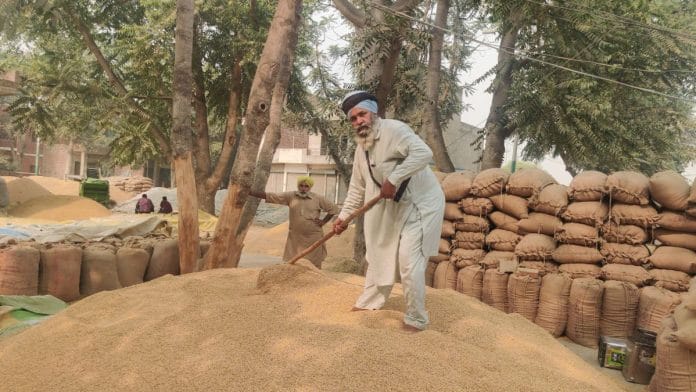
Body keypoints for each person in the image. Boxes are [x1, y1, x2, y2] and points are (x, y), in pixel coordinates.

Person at [332, 90, 445, 332]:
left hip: (421, 205)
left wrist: (393, 178)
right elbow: (356, 188)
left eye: (362, 114)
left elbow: (424, 154)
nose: (358, 121)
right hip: (392, 207)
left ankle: (417, 318)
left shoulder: (395, 130)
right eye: (353, 119)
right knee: (378, 251)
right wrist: (342, 218)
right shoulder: (361, 149)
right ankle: (370, 302)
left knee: (408, 261)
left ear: (373, 112)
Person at [250, 176, 339, 268]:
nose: (303, 188)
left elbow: (333, 209)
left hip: (313, 237)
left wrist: (323, 221)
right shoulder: (291, 196)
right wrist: (250, 192)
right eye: (301, 186)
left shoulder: (318, 198)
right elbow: (272, 196)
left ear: (310, 187)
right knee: (293, 262)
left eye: (306, 186)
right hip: (295, 238)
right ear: (298, 186)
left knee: (313, 263)